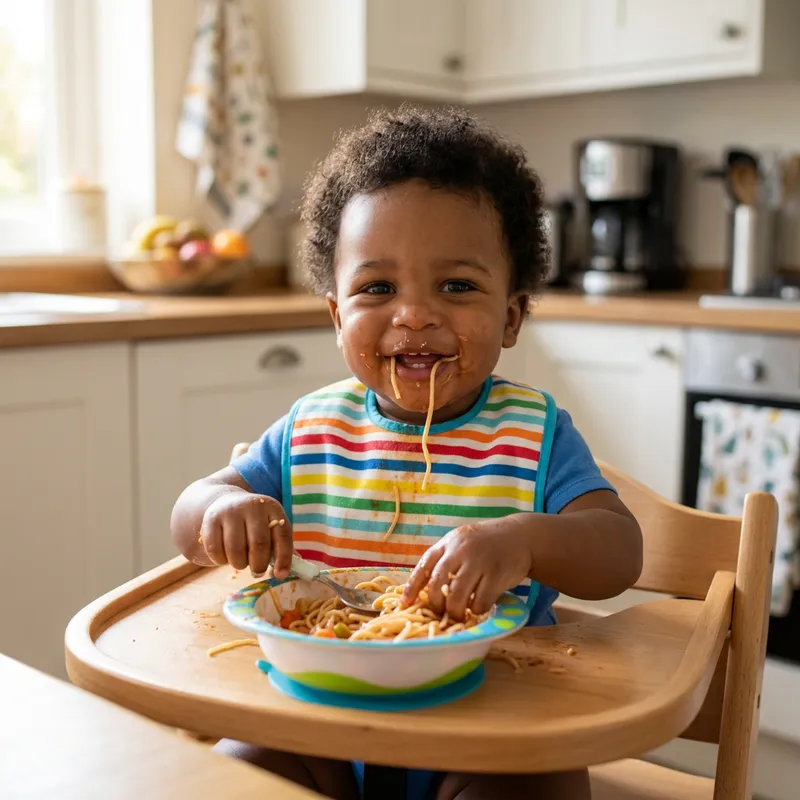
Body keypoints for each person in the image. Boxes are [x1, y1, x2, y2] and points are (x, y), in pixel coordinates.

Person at [171, 105, 642, 800]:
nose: (414, 315)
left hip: (493, 727)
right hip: (320, 726)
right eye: (377, 288)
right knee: (229, 778)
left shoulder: (533, 433)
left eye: (457, 286)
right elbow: (189, 518)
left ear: (510, 315)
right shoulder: (312, 430)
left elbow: (618, 551)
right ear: (337, 316)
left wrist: (523, 541)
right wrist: (223, 508)